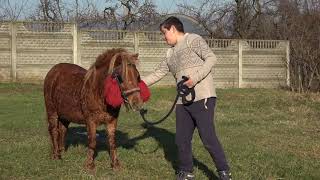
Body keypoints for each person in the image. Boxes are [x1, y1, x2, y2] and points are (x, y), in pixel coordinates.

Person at [142, 16, 232, 180]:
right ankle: (186, 171)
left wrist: (195, 78)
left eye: (165, 33)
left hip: (202, 96)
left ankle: (224, 172)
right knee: (181, 140)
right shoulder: (170, 53)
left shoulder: (193, 40)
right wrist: (138, 84)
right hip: (182, 101)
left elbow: (212, 58)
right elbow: (157, 73)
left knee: (208, 138)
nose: (164, 38)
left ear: (173, 29)